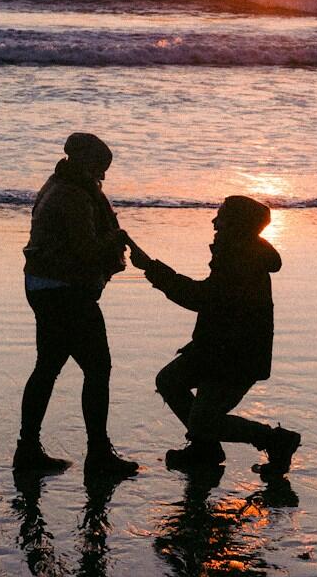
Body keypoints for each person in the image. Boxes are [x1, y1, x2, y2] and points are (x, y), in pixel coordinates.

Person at [128, 195, 301, 476]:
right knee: (170, 381)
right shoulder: (236, 251)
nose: (214, 221)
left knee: (204, 421)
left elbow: (202, 298)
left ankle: (276, 440)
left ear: (235, 224)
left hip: (235, 356)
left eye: (220, 215)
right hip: (214, 348)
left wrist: (151, 268)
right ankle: (204, 449)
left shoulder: (242, 258)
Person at [16, 133, 138, 478]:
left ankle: (27, 449)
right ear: (85, 163)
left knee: (48, 366)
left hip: (43, 284)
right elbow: (87, 250)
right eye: (100, 168)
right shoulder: (73, 196)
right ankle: (98, 454)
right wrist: (116, 240)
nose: (102, 176)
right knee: (98, 369)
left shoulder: (57, 185)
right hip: (64, 290)